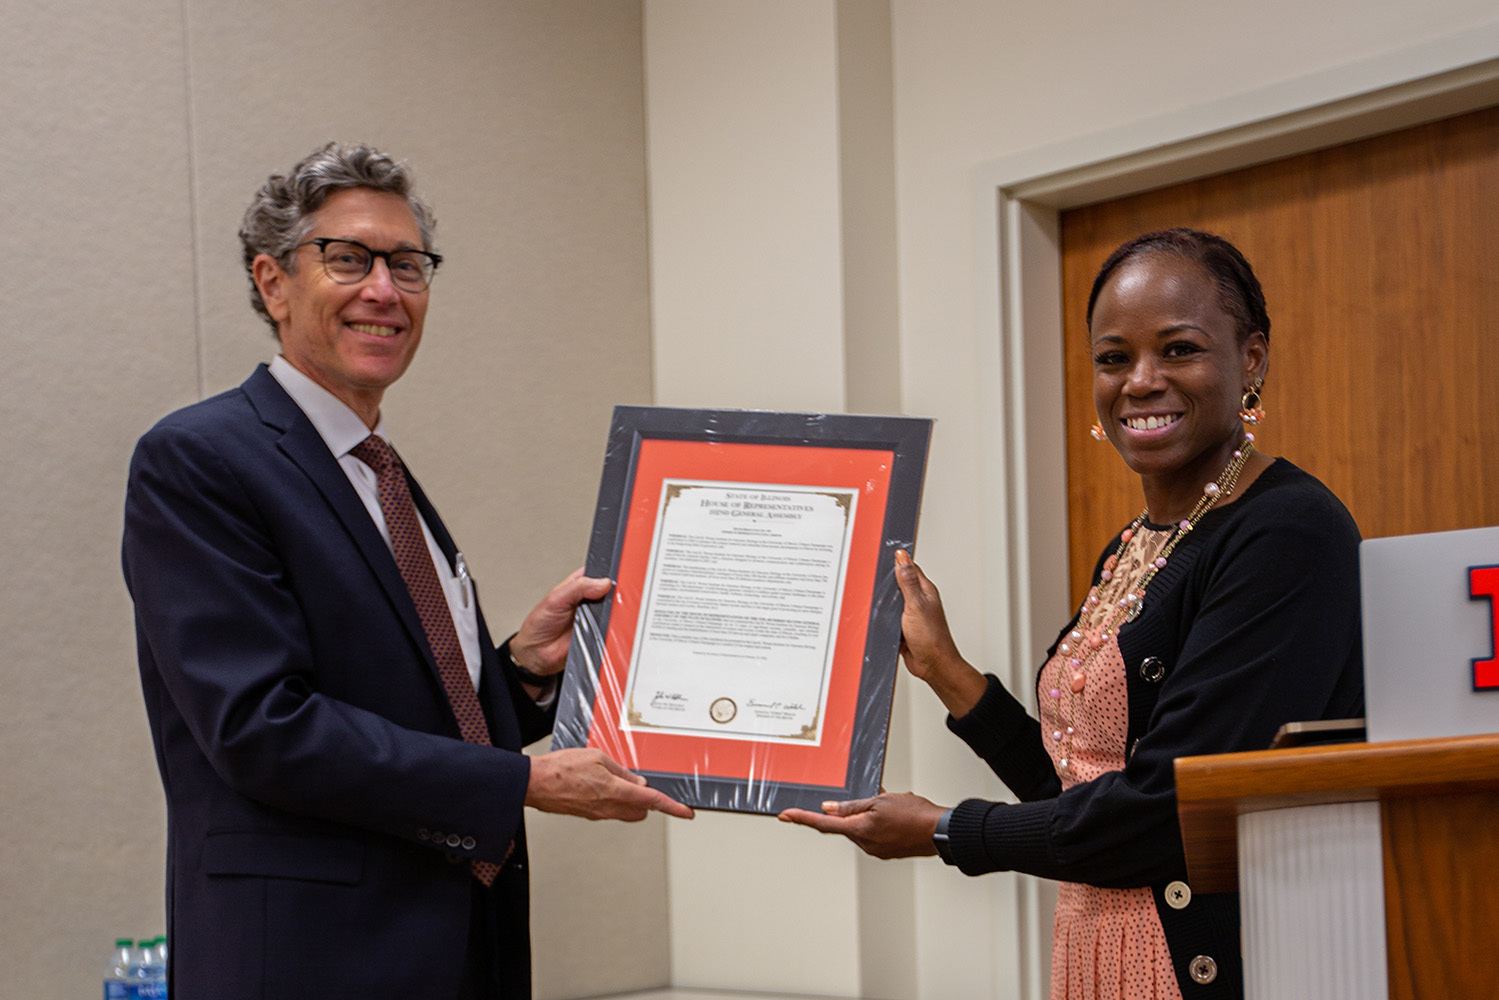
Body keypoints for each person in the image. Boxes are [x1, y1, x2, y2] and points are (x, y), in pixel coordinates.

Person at [121, 141, 693, 1000]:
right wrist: (522, 782)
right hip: (309, 959)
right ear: (272, 282)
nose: (384, 291)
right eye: (347, 259)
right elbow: (260, 728)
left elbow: (414, 711)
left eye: (408, 265)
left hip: (460, 941)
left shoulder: (376, 469)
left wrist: (522, 674)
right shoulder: (202, 458)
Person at [780, 228, 1364, 999]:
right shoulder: (1134, 544)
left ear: (1250, 358)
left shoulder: (1286, 531)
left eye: (1179, 349)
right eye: (1113, 358)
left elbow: (1165, 812)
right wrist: (947, 673)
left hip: (1205, 968)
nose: (1140, 381)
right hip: (1097, 956)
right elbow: (1077, 793)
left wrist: (945, 828)